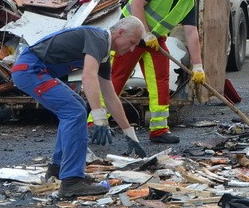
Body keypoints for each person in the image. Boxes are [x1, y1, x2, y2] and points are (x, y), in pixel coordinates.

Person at [12, 18, 148, 198]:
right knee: (74, 111)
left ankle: (57, 170)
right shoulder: (98, 38)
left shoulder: (103, 53)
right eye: (132, 43)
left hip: (34, 70)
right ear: (120, 32)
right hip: (29, 69)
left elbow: (110, 95)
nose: (131, 49)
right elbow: (88, 77)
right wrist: (99, 119)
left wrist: (129, 133)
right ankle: (71, 182)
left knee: (76, 107)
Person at [97, 0, 215, 144]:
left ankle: (159, 129)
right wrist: (144, 33)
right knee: (116, 78)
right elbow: (137, 4)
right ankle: (95, 124)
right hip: (129, 36)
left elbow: (191, 32)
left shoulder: (188, 2)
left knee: (161, 79)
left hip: (154, 40)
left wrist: (198, 65)